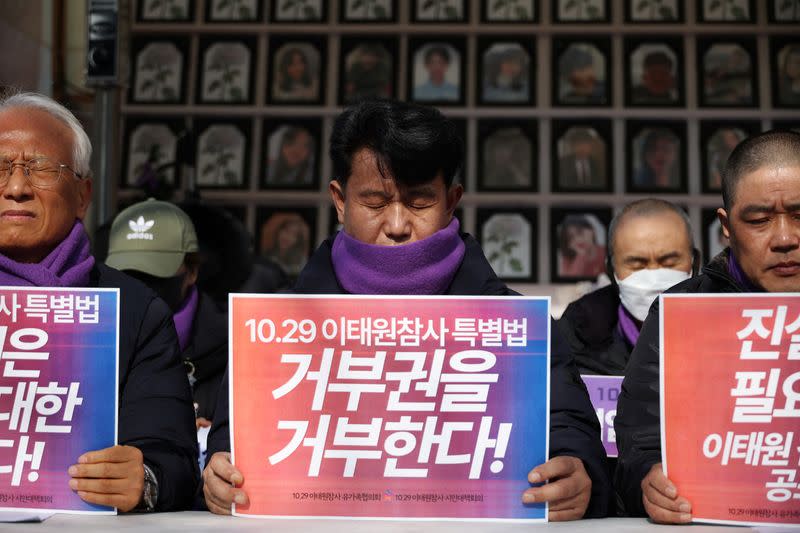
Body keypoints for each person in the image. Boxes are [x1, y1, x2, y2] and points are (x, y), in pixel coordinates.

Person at [203, 99, 611, 520]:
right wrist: (217, 474)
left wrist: (580, 475)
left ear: (451, 201)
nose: (397, 225)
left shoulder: (519, 327)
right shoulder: (276, 326)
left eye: (418, 202)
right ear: (340, 201)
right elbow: (231, 444)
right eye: (375, 202)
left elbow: (570, 435)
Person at [0, 91, 198, 511]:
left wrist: (143, 480)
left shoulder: (134, 311)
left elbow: (175, 461)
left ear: (83, 195)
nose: (16, 188)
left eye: (41, 169)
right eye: (0, 168)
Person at [615, 130, 800, 524]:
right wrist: (650, 480)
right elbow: (642, 441)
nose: (785, 239)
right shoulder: (679, 313)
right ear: (727, 226)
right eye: (760, 220)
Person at [104, 199, 227, 438]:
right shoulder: (94, 343)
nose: (139, 290)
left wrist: (216, 438)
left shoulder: (231, 348)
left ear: (192, 271)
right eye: (127, 276)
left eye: (154, 275)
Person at [559, 199, 696, 377]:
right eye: (637, 265)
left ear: (694, 262)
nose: (653, 276)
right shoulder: (578, 331)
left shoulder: (725, 326)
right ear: (611, 270)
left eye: (669, 263)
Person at [258, 212, 310, 279]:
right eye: (286, 231)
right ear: (279, 231)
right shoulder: (267, 256)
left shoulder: (302, 262)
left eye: (294, 235)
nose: (288, 237)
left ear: (297, 240)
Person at [557, 215, 606, 279]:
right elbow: (569, 281)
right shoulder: (568, 257)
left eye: (580, 232)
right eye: (571, 237)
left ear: (592, 231)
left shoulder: (605, 252)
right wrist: (581, 255)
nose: (577, 239)